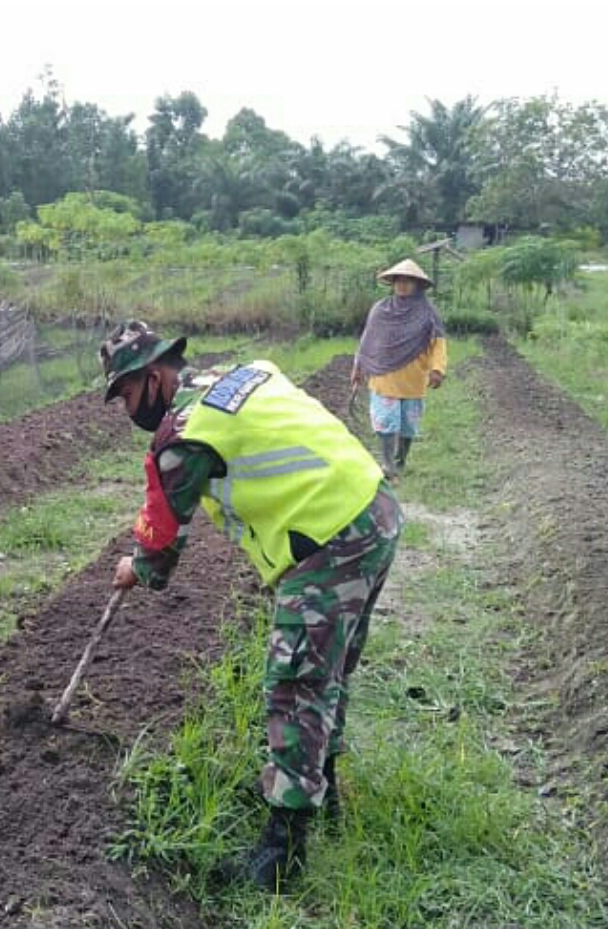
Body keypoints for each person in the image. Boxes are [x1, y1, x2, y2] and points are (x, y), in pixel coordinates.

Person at [100, 320, 403, 891]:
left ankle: (281, 855)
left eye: (128, 394)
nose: (128, 409)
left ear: (156, 375)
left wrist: (135, 567)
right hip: (374, 508)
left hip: (330, 538)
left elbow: (161, 549)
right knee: (328, 672)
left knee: (295, 684)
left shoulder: (182, 437)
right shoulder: (244, 373)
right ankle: (322, 789)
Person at [351, 258, 446, 479]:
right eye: (398, 280)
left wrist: (437, 370)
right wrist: (358, 367)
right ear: (392, 283)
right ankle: (387, 463)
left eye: (408, 281)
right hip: (384, 375)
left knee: (408, 424)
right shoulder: (380, 310)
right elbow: (368, 341)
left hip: (413, 377)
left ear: (417, 285)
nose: (402, 285)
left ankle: (401, 461)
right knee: (385, 421)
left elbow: (438, 343)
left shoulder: (428, 313)